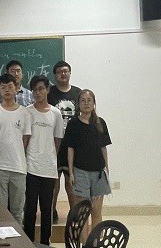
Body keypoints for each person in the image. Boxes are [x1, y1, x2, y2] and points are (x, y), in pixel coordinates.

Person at [65, 89, 112, 240]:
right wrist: (71, 172)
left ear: (94, 103)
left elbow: (103, 147)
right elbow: (70, 149)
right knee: (83, 212)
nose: (86, 103)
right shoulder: (73, 124)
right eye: (83, 101)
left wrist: (106, 167)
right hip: (80, 173)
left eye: (89, 100)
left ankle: (96, 242)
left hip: (98, 174)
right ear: (78, 104)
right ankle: (84, 243)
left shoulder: (100, 123)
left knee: (96, 212)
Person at [23, 75, 63, 246]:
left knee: (47, 209)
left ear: (47, 89)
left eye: (40, 89)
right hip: (30, 167)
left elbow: (57, 140)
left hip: (48, 168)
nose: (37, 93)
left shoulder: (56, 113)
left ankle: (45, 243)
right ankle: (29, 242)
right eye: (34, 90)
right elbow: (25, 139)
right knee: (30, 209)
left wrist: (48, 155)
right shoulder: (27, 111)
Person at [0, 73, 31, 224]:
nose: (6, 90)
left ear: (16, 88)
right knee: (0, 211)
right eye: (3, 87)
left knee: (17, 212)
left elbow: (25, 140)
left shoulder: (25, 112)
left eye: (10, 86)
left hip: (19, 167)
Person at [48, 60, 82, 222]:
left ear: (70, 73)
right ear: (55, 75)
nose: (63, 74)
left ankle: (74, 213)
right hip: (54, 144)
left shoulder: (78, 93)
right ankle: (51, 211)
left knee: (71, 181)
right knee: (53, 182)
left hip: (73, 145)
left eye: (66, 71)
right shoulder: (49, 93)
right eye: (60, 71)